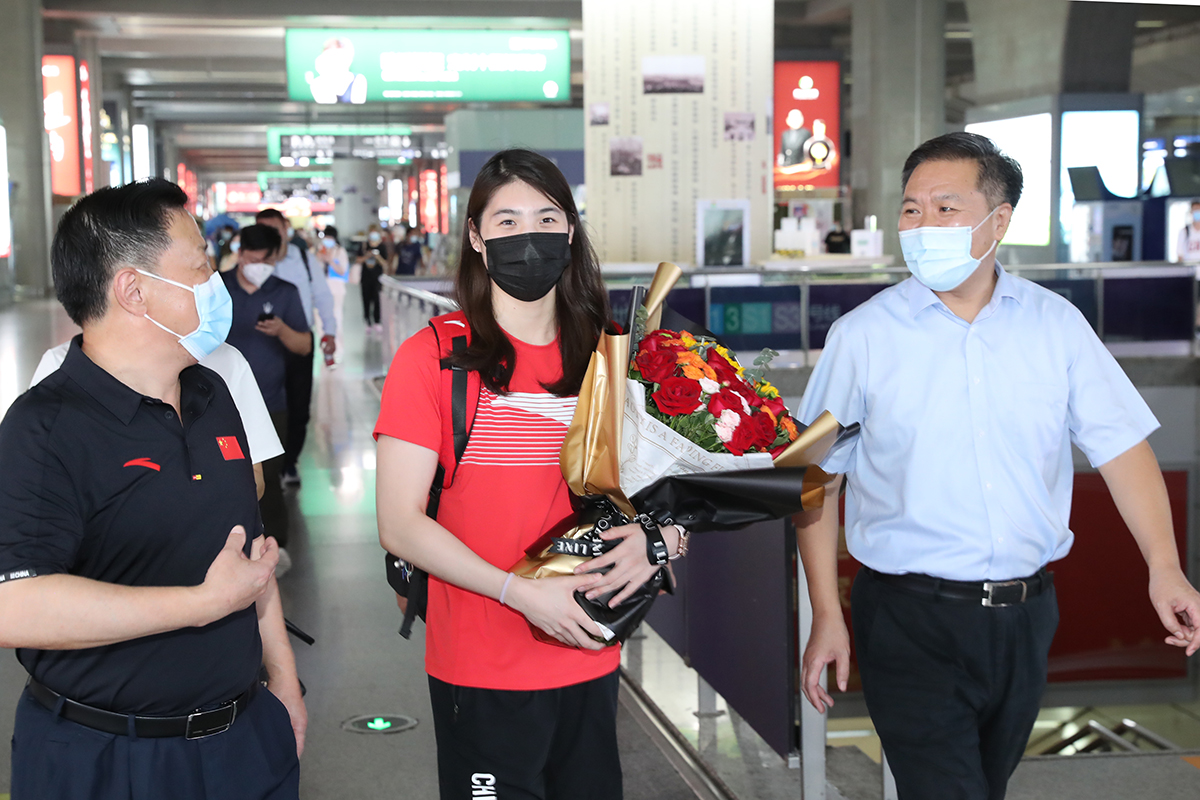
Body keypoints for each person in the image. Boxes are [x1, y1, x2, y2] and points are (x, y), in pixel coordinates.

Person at [795, 132, 1200, 800]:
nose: (922, 226)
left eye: (945, 208)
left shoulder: (1056, 326)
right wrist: (824, 613)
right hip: (907, 616)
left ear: (998, 221)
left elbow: (1123, 448)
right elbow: (816, 481)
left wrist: (1165, 566)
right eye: (911, 210)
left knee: (984, 786)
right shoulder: (863, 337)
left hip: (1025, 613)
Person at [374, 149, 688, 799]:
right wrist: (518, 594)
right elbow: (399, 524)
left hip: (590, 650)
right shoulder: (433, 356)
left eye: (546, 218)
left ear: (571, 231)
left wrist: (664, 540)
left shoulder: (608, 354)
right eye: (507, 221)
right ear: (475, 237)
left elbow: (655, 498)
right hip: (481, 665)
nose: (529, 237)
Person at [0, 179, 304, 799]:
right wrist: (200, 603)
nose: (215, 282)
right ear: (134, 291)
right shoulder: (46, 427)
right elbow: (15, 606)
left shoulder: (213, 396)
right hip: (107, 757)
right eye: (199, 267)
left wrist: (286, 684)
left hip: (245, 740)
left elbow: (251, 560)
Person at [30, 332, 284, 504]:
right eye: (197, 267)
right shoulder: (61, 367)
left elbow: (253, 478)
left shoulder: (226, 361)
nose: (211, 282)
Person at [222, 224, 311, 568]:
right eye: (250, 257)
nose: (256, 264)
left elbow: (304, 345)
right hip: (220, 402)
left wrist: (281, 330)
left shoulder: (284, 291)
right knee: (226, 476)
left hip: (269, 402)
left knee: (269, 477)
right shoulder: (218, 288)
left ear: (275, 258)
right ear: (240, 252)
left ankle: (275, 546)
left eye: (263, 259)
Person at [255, 208, 338, 488]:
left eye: (273, 229)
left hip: (300, 341)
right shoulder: (251, 262)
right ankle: (269, 464)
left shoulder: (302, 258)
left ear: (285, 229)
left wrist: (330, 332)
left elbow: (322, 296)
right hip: (264, 343)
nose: (269, 235)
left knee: (298, 407)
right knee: (265, 405)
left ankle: (289, 462)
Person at [315, 226, 349, 350]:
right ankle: (324, 346)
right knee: (320, 317)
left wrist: (330, 261)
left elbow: (342, 271)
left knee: (336, 317)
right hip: (322, 288)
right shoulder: (319, 251)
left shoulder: (340, 251)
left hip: (336, 289)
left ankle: (337, 347)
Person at [358, 227, 387, 332]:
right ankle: (367, 321)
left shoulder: (382, 247)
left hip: (377, 278)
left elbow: (385, 263)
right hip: (365, 278)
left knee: (377, 300)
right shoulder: (364, 246)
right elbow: (358, 260)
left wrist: (377, 256)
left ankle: (377, 321)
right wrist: (368, 256)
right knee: (366, 299)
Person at [1177, 200, 1200, 265]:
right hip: (1189, 271)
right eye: (1195, 210)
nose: (1197, 212)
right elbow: (1180, 255)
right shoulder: (1184, 232)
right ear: (1191, 212)